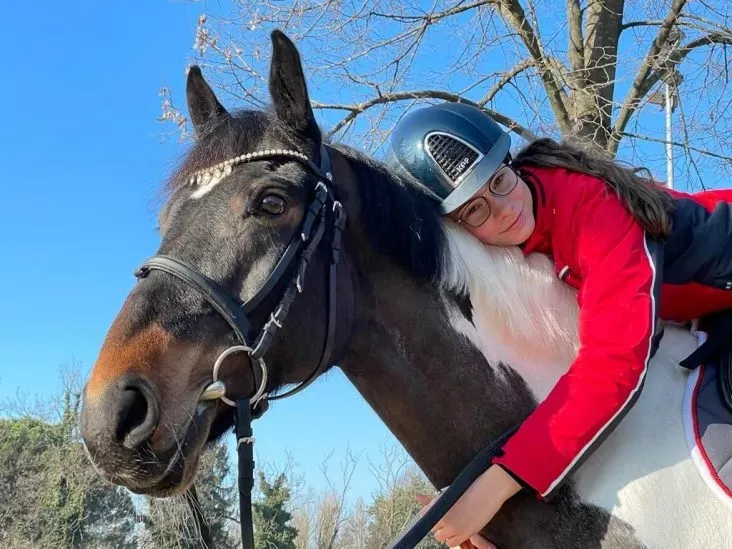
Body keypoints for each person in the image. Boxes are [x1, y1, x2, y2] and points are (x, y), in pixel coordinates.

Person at [387, 102, 732, 548]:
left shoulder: (592, 209)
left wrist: (502, 480)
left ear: (510, 164)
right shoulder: (521, 239)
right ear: (459, 228)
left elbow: (613, 362)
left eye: (498, 181)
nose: (503, 209)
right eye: (475, 211)